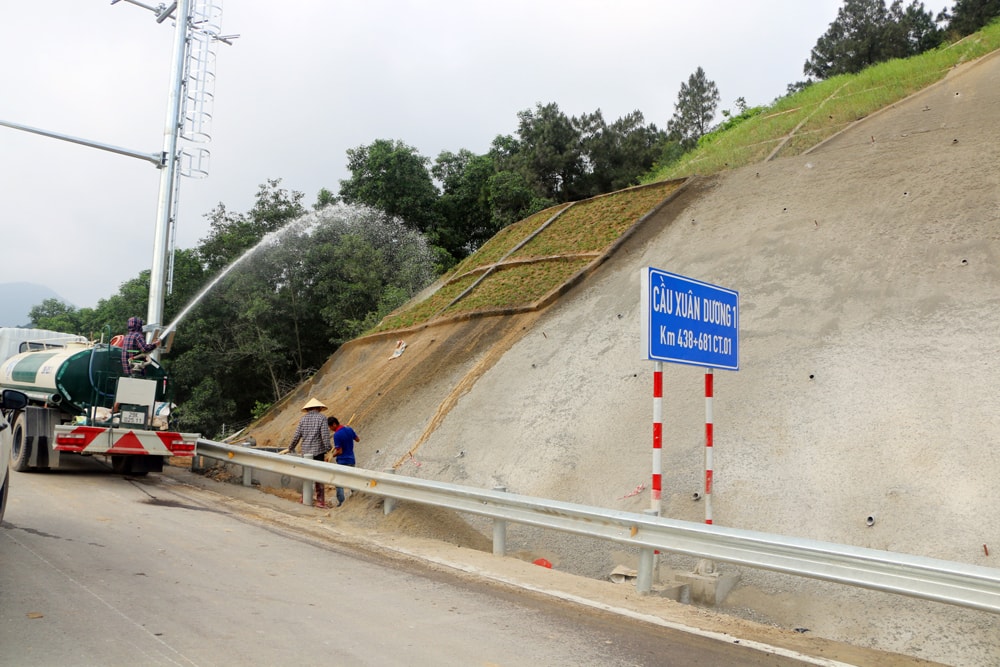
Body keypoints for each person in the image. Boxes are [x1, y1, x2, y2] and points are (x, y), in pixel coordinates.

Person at [287, 398, 333, 508]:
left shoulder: (303, 420)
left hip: (306, 452)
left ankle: (304, 498)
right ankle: (320, 501)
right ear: (319, 408)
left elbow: (296, 436)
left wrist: (291, 447)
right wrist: (328, 448)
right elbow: (325, 436)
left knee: (306, 475)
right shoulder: (322, 418)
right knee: (318, 476)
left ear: (308, 409)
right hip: (318, 452)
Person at [328, 415, 359, 507]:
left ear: (334, 424)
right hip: (351, 459)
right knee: (352, 479)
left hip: (342, 461)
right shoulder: (349, 429)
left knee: (338, 482)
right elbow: (357, 439)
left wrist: (331, 455)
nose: (331, 429)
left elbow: (340, 451)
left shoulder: (337, 435)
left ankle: (341, 502)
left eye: (330, 427)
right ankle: (356, 499)